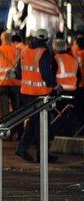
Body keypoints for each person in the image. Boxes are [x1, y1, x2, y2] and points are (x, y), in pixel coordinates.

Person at [14, 29, 61, 163]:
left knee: (34, 122)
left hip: (25, 93)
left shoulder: (25, 51)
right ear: (46, 40)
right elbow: (46, 73)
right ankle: (42, 154)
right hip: (39, 94)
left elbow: (18, 72)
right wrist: (55, 85)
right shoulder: (44, 53)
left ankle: (22, 148)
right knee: (42, 125)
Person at [0, 31, 22, 139]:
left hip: (1, 85)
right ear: (11, 39)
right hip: (15, 84)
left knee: (4, 111)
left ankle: (6, 134)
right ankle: (19, 133)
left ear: (2, 39)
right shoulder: (17, 51)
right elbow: (20, 69)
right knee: (17, 110)